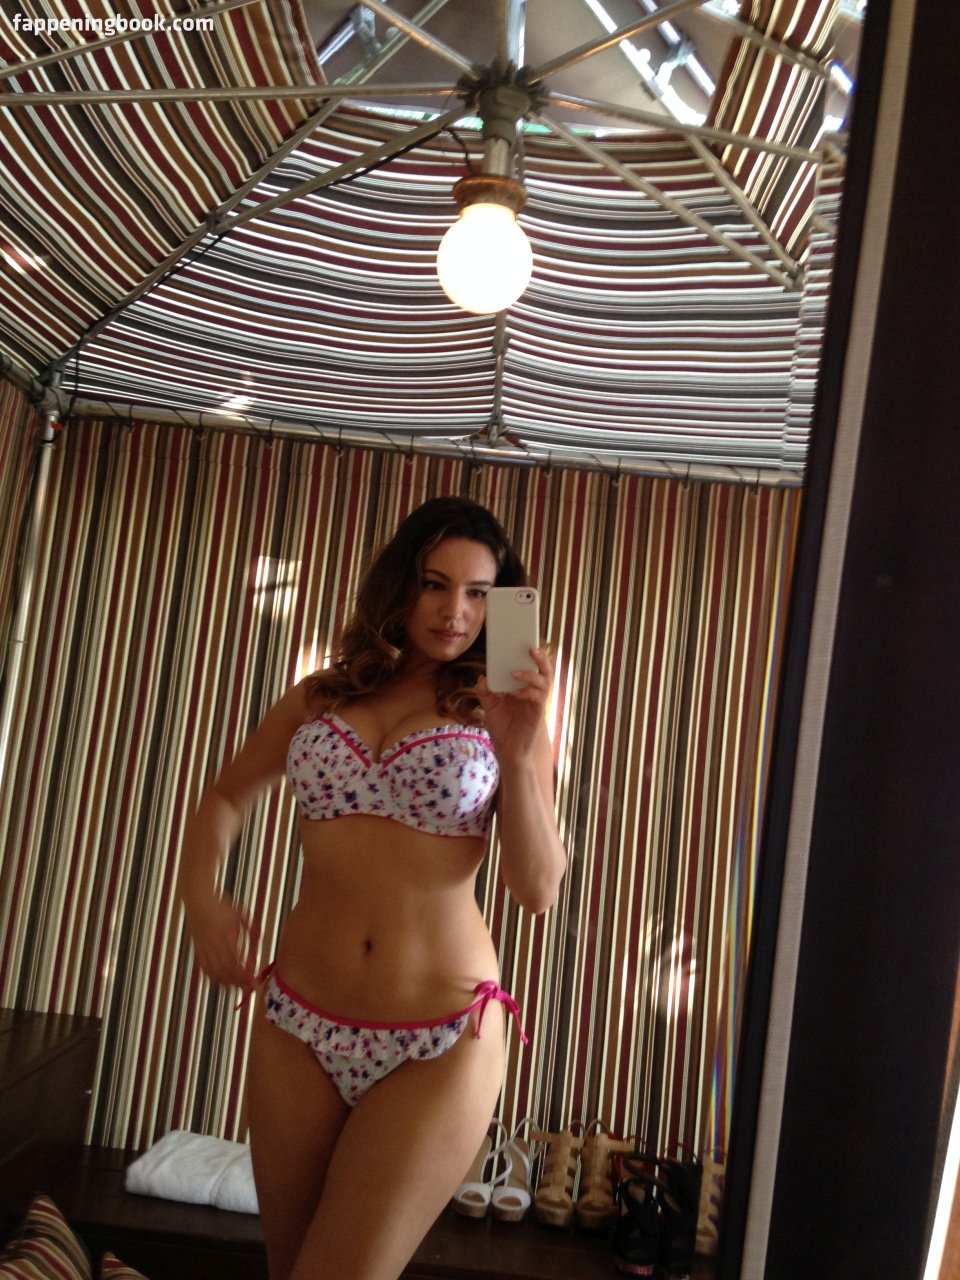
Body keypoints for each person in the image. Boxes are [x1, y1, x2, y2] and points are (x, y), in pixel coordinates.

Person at [179, 496, 567, 1280]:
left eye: (478, 594)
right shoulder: (323, 695)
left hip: (440, 1038)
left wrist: (518, 753)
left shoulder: (506, 713)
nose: (455, 612)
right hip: (297, 1022)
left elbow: (537, 888)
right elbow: (224, 796)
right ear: (400, 585)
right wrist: (202, 900)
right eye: (434, 584)